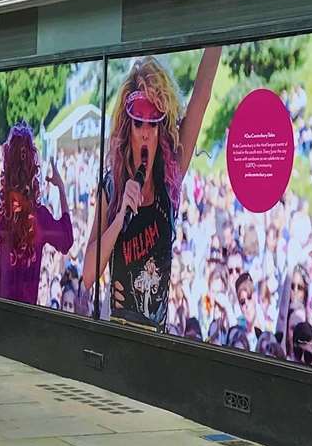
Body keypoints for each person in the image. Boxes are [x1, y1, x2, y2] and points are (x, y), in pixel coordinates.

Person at [86, 49, 219, 328]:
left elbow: (202, 95)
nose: (145, 132)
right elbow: (88, 276)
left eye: (153, 122)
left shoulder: (170, 175)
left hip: (157, 335)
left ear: (162, 127)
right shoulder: (110, 186)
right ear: (127, 127)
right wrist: (120, 216)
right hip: (119, 331)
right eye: (138, 123)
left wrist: (218, 18)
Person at [0, 123, 76, 306]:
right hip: (26, 318)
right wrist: (61, 189)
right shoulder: (40, 219)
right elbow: (67, 240)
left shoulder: (4, 217)